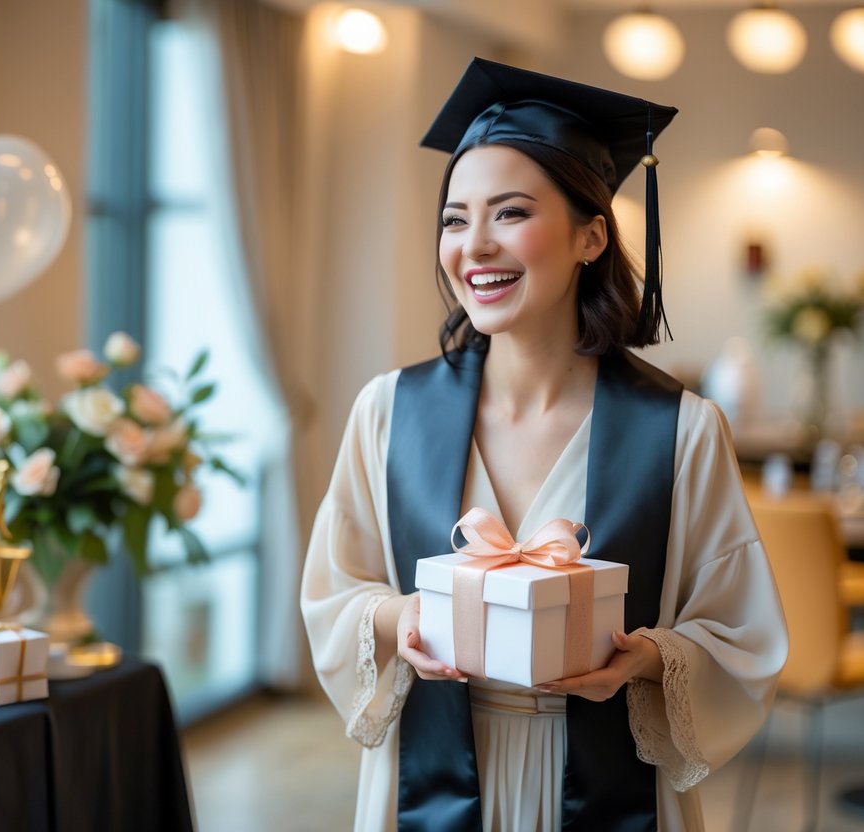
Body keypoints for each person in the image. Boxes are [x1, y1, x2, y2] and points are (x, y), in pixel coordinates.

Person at [300, 57, 787, 832]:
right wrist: (404, 622)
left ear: (591, 235)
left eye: (510, 213)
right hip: (427, 781)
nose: (475, 245)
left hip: (609, 782)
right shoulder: (388, 410)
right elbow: (335, 588)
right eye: (454, 219)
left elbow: (738, 630)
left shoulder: (681, 429)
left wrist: (647, 657)